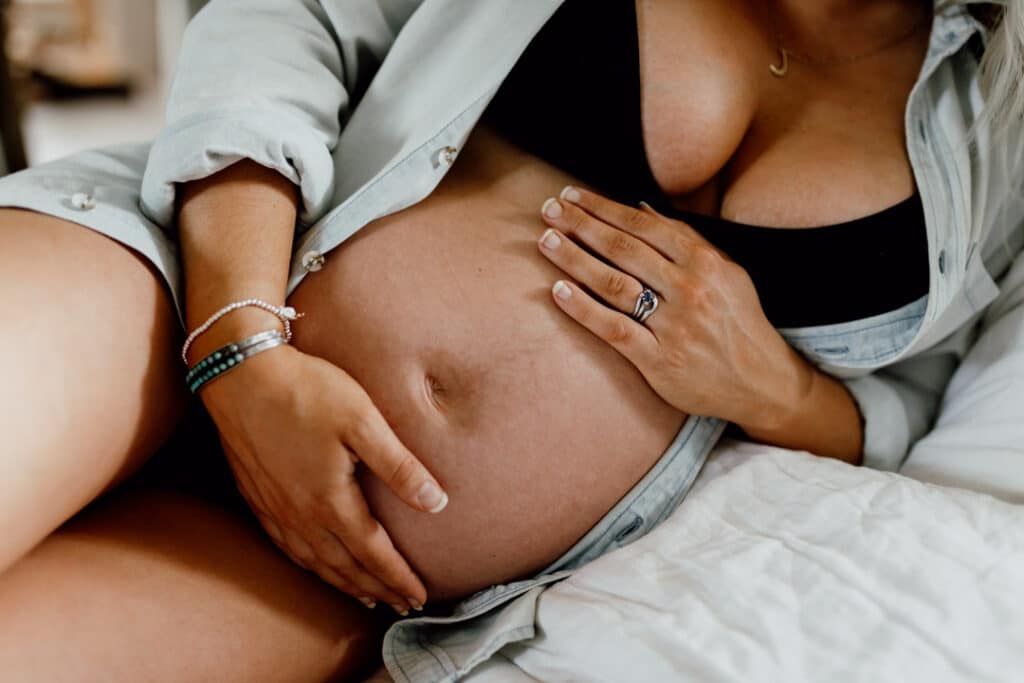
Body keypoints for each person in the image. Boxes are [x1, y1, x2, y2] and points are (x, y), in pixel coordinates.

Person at [1, 0, 1022, 681]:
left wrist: (775, 390)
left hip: (350, 567)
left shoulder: (1000, 125)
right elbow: (293, 13)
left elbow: (929, 396)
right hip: (175, 288)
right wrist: (241, 346)